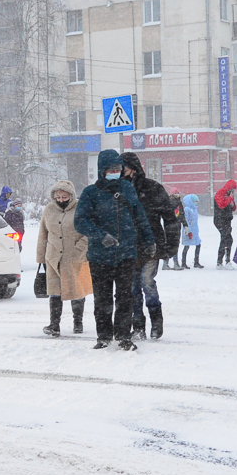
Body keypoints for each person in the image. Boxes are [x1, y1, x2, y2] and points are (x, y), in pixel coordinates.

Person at [74, 148, 153, 349]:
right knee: (102, 298)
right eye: (111, 169)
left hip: (126, 254)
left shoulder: (127, 189)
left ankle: (123, 336)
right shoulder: (90, 193)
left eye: (118, 168)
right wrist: (101, 236)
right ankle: (104, 336)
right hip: (100, 256)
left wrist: (149, 240)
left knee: (125, 297)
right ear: (102, 170)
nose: (115, 171)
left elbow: (140, 216)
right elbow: (80, 222)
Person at [120, 151, 178, 340]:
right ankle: (138, 325)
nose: (121, 170)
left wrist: (171, 245)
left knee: (147, 282)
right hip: (127, 247)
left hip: (151, 245)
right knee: (133, 288)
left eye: (124, 166)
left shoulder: (152, 188)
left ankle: (156, 319)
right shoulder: (117, 189)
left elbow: (170, 218)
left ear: (133, 168)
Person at [37, 180, 91, 337]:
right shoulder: (48, 210)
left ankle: (78, 322)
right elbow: (43, 234)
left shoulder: (80, 208)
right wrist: (41, 257)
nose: (61, 200)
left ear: (71, 195)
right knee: (55, 292)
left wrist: (79, 250)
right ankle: (54, 325)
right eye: (58, 196)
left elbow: (88, 232)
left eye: (64, 196)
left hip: (74, 257)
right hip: (53, 258)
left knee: (76, 290)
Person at [213, 179, 237, 266]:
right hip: (220, 220)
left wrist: (232, 202)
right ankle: (220, 262)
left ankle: (227, 260)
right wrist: (230, 198)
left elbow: (233, 208)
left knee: (229, 239)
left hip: (227, 220)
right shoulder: (220, 194)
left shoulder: (229, 195)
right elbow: (221, 205)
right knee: (225, 239)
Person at [179, 193, 203, 269]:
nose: (196, 203)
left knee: (198, 244)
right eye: (195, 201)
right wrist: (189, 231)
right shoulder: (187, 209)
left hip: (195, 231)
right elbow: (186, 220)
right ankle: (183, 262)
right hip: (188, 231)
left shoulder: (195, 209)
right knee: (187, 246)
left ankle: (196, 262)